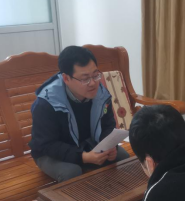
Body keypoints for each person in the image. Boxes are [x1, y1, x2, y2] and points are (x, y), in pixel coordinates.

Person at [29, 46, 129, 182]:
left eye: (96, 75)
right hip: (50, 153)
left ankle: (115, 194)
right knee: (71, 172)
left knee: (122, 157)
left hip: (87, 144)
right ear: (66, 78)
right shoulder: (46, 103)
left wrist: (111, 147)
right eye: (85, 79)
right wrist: (83, 157)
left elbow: (107, 125)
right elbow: (47, 144)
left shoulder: (101, 94)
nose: (93, 83)